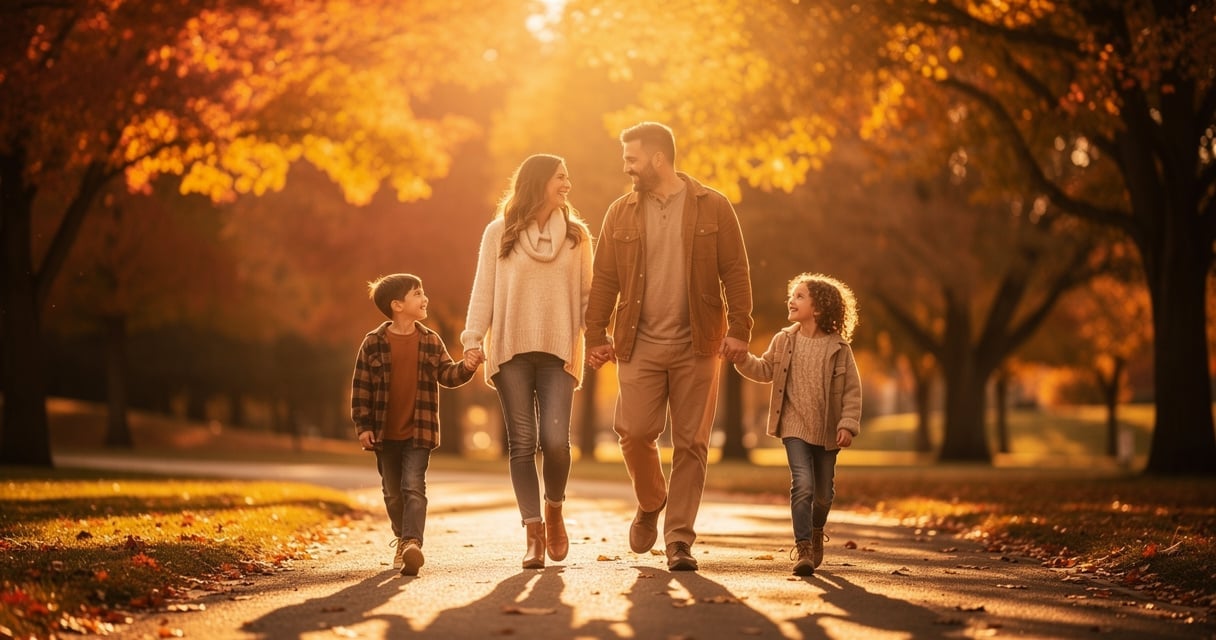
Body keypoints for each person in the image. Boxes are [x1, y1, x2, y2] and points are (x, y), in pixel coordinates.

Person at [584, 121, 753, 572]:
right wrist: (595, 335)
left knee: (692, 444)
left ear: (658, 158)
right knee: (634, 432)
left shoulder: (713, 206)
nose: (626, 167)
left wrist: (740, 328)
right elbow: (604, 279)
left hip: (698, 343)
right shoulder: (619, 212)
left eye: (632, 159)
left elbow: (735, 270)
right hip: (638, 342)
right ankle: (651, 498)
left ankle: (679, 539)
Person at [462, 154, 593, 569]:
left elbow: (589, 296)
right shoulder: (498, 233)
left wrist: (603, 336)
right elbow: (484, 289)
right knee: (522, 444)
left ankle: (554, 510)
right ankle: (533, 533)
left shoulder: (577, 237)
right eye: (560, 177)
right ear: (538, 182)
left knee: (555, 442)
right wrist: (472, 338)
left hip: (559, 350)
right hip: (511, 351)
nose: (567, 184)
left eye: (568, 177)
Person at [730, 272, 861, 576]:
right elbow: (764, 370)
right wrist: (740, 357)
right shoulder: (784, 340)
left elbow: (853, 391)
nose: (792, 300)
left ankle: (816, 529)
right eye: (792, 295)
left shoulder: (839, 349)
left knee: (824, 494)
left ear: (818, 309)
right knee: (802, 483)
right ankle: (803, 547)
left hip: (827, 429)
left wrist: (847, 424)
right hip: (793, 427)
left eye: (800, 296)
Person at [351, 273, 482, 577]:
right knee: (392, 492)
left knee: (413, 487)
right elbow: (361, 388)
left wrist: (468, 366)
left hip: (418, 431)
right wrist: (363, 425)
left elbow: (447, 375)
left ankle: (412, 543)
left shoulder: (430, 340)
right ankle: (403, 538)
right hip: (384, 433)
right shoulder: (372, 343)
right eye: (417, 293)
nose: (425, 299)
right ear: (397, 305)